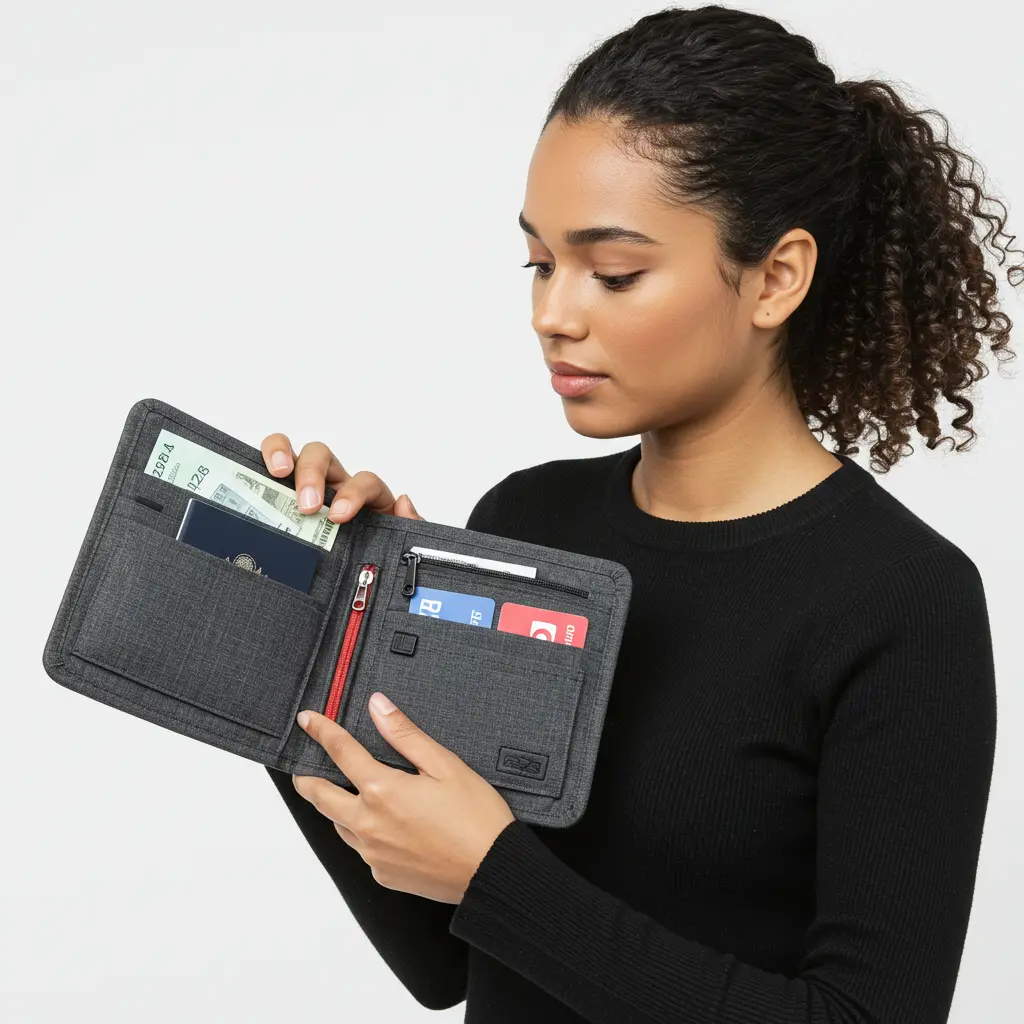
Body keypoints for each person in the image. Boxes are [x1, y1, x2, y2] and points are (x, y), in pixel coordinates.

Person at [260, 6, 1018, 1022]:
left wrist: (498, 876)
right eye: (539, 263)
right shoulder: (525, 520)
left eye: (613, 273)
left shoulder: (900, 601)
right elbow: (445, 961)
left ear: (775, 277)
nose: (553, 314)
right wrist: (308, 644)